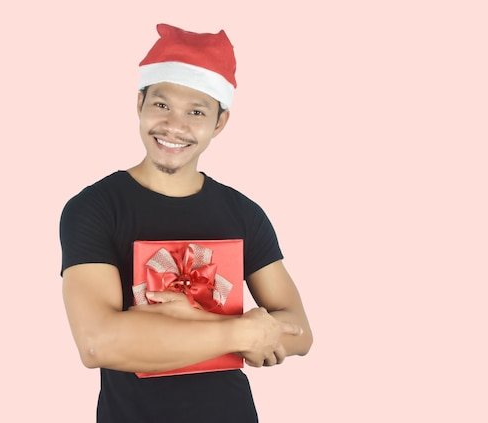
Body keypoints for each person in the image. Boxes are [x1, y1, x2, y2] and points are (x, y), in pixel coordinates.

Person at [59, 23, 313, 422]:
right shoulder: (94, 208)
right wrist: (240, 332)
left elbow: (300, 331)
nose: (175, 127)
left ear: (219, 122)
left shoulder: (243, 213)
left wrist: (198, 320)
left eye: (196, 112)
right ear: (139, 103)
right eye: (162, 105)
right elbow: (98, 343)